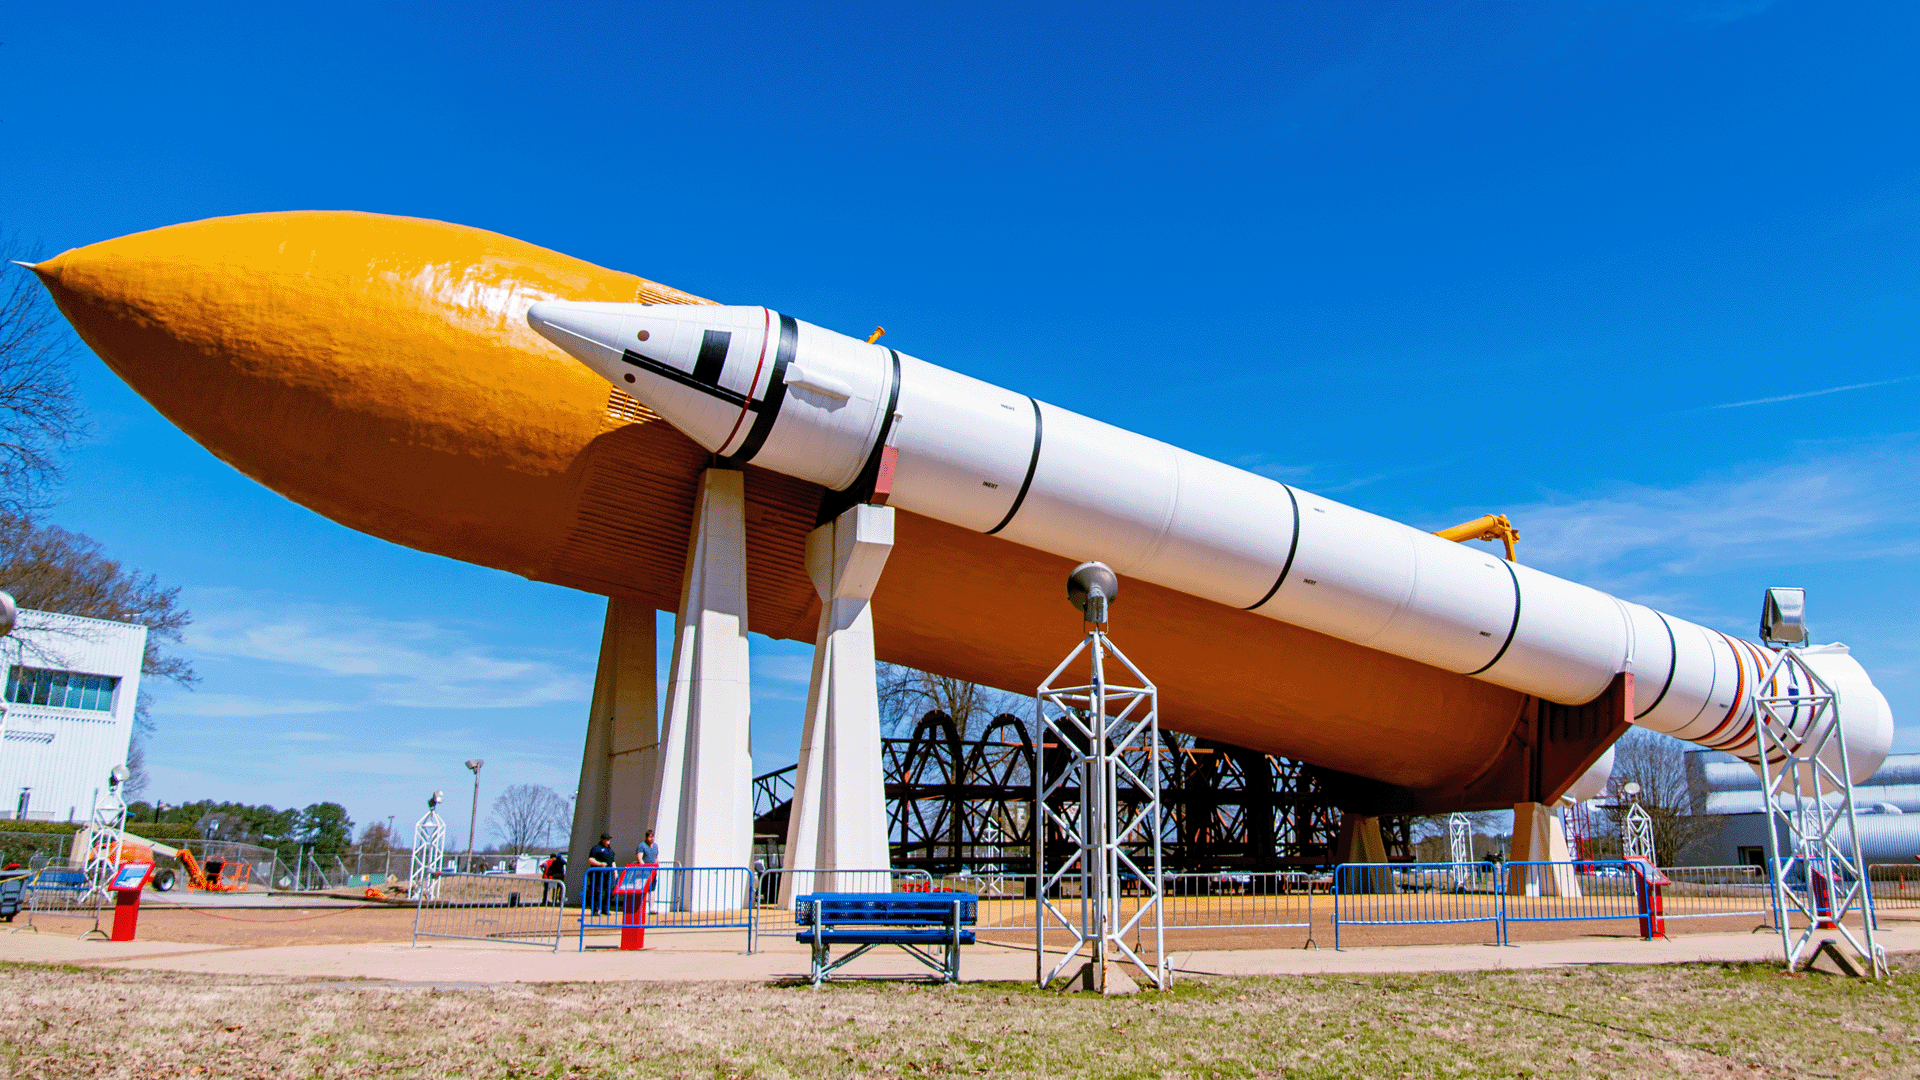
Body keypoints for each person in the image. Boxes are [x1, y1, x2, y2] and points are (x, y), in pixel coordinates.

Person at [586, 832, 618, 915]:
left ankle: (605, 909)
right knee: (597, 891)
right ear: (602, 839)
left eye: (609, 839)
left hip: (609, 873)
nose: (608, 841)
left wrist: (615, 871)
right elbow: (591, 859)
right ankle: (595, 909)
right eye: (606, 839)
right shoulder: (596, 848)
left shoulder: (610, 850)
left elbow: (612, 861)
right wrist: (600, 864)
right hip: (598, 873)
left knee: (609, 891)